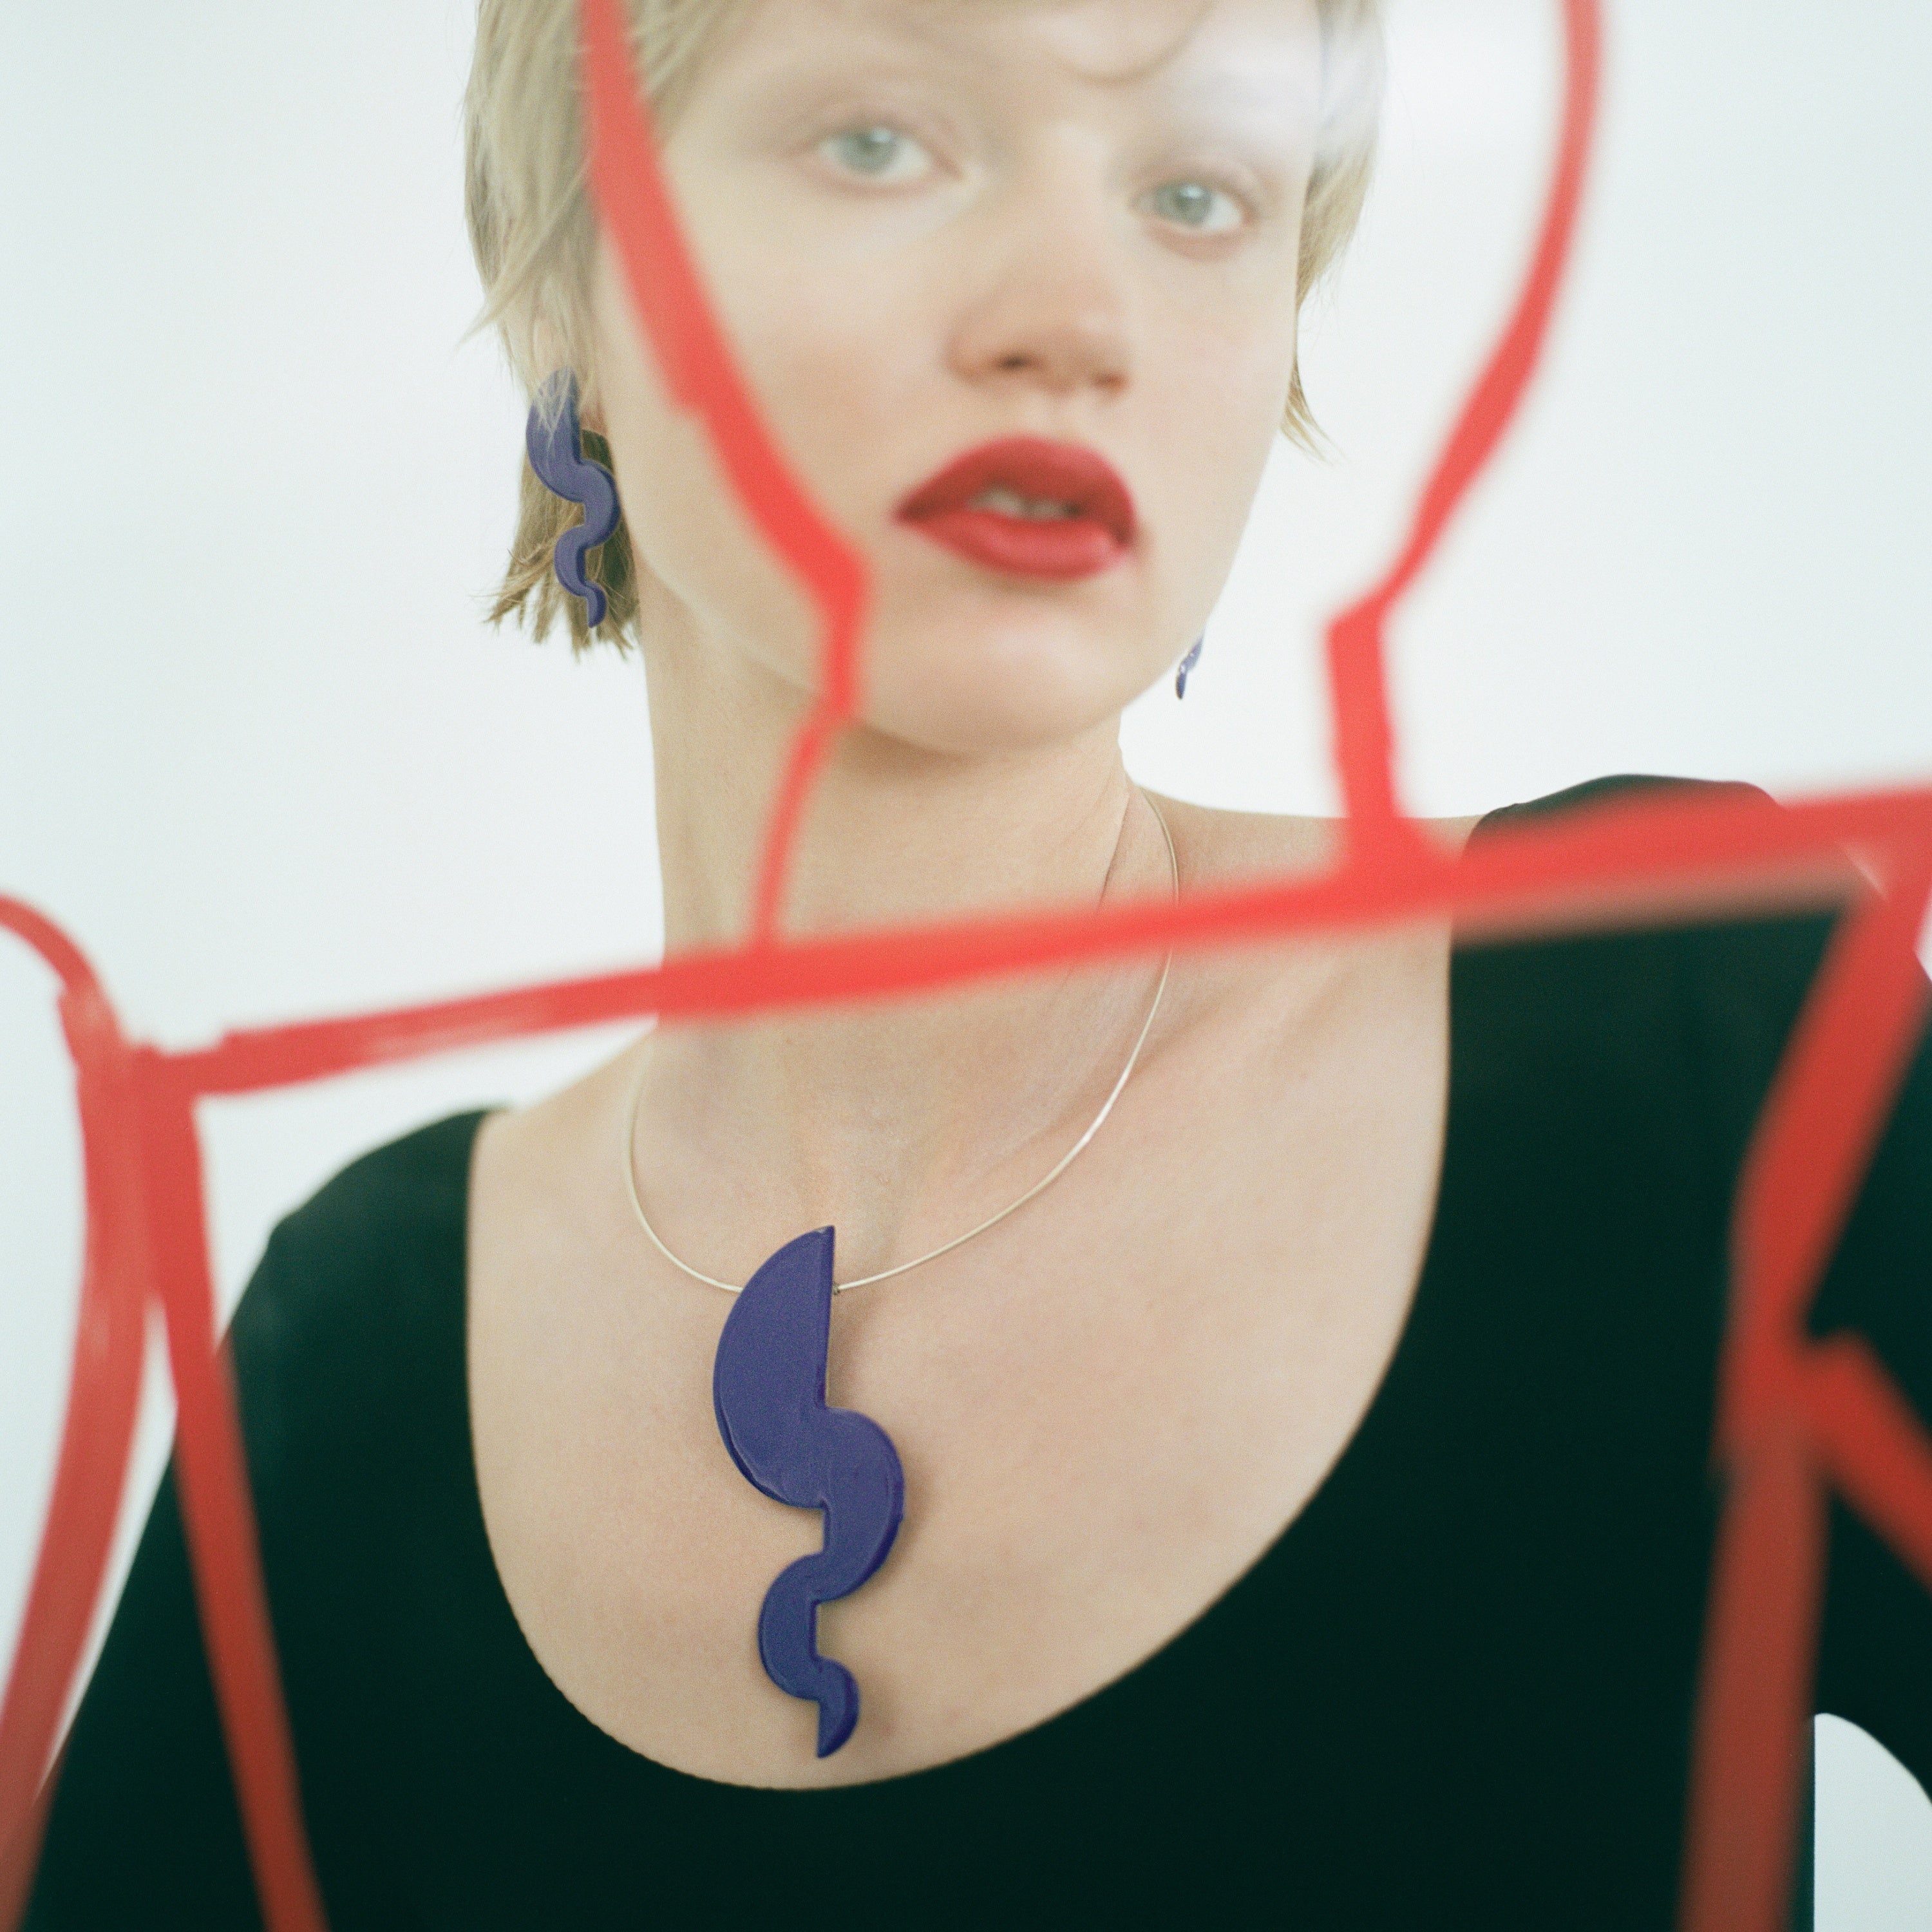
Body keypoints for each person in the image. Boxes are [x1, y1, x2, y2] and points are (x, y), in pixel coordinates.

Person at [25, 1, 1930, 1926]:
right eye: (879, 141)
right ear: (562, 290)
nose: (1076, 320)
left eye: (1198, 190)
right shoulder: (351, 1364)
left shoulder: (1678, 1014)